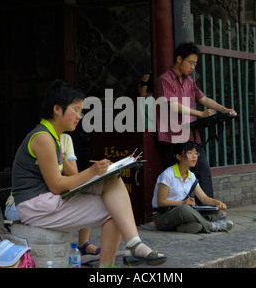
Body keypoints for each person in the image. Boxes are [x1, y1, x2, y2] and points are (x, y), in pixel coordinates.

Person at [11, 80, 166, 267]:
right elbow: (57, 185)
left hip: (46, 199)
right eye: (76, 110)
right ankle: (109, 265)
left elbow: (62, 180)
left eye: (80, 111)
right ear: (57, 109)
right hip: (34, 205)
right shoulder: (43, 138)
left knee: (113, 182)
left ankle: (133, 243)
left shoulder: (53, 136)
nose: (79, 116)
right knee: (114, 210)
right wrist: (92, 172)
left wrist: (99, 174)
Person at [154, 41, 237, 199]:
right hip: (173, 138)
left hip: (191, 135)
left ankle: (208, 210)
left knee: (203, 172)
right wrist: (200, 114)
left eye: (195, 64)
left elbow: (204, 99)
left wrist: (224, 109)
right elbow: (172, 105)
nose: (193, 67)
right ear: (179, 59)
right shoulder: (165, 80)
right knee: (177, 178)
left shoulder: (190, 81)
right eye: (191, 63)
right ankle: (180, 212)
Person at [152, 141, 233, 233]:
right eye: (189, 153)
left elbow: (204, 199)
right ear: (178, 157)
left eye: (196, 153)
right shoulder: (168, 174)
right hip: (162, 217)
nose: (194, 156)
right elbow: (161, 202)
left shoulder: (191, 176)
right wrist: (182, 203)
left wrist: (217, 202)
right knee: (185, 209)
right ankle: (212, 226)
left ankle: (185, 227)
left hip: (182, 214)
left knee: (218, 212)